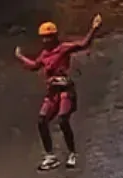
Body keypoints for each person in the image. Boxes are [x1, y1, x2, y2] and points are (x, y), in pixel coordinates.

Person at [15, 14, 102, 169]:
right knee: (42, 121)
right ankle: (50, 156)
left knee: (63, 119)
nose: (45, 40)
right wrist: (21, 57)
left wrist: (94, 29)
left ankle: (72, 153)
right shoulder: (44, 54)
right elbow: (35, 65)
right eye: (43, 37)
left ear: (54, 37)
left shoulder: (63, 49)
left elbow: (83, 44)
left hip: (65, 90)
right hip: (52, 92)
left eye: (48, 37)